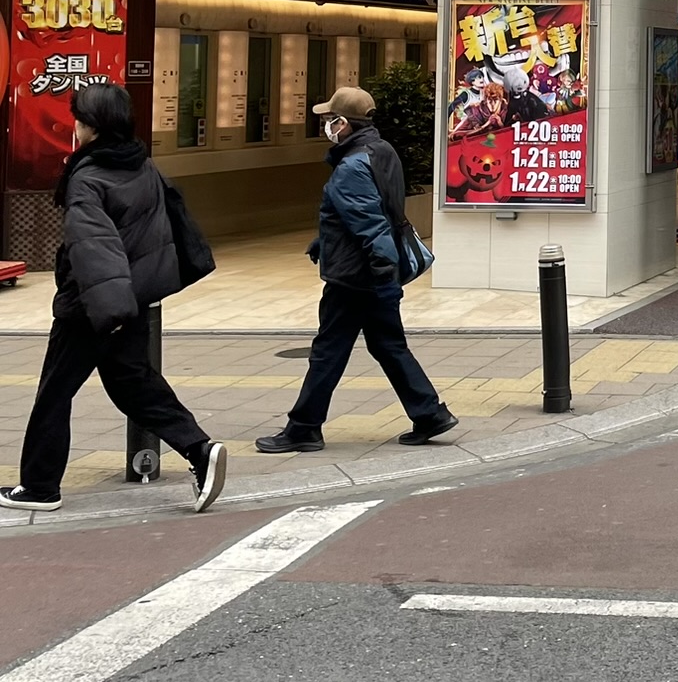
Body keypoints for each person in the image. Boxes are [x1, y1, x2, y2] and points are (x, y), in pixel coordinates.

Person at [2, 82, 226, 514]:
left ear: (93, 126)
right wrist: (127, 306)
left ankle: (40, 487)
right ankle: (201, 450)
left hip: (93, 306)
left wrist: (111, 312)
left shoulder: (88, 177)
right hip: (131, 299)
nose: (75, 127)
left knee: (54, 394)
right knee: (135, 387)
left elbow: (95, 247)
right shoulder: (141, 164)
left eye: (79, 120)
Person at [257, 87, 457, 454]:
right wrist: (325, 242)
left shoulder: (351, 166)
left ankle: (304, 428)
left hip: (356, 278)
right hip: (374, 273)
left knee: (328, 351)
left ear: (344, 123)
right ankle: (430, 414)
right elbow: (373, 209)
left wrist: (380, 267)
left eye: (329, 120)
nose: (326, 126)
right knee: (389, 346)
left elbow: (369, 221)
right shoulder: (382, 150)